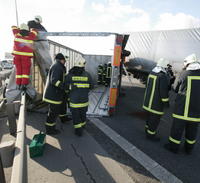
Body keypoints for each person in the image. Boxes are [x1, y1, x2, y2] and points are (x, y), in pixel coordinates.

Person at [164, 54, 200, 154]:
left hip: (182, 110)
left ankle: (173, 148)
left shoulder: (183, 74)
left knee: (177, 130)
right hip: (196, 112)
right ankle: (189, 149)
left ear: (187, 63)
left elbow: (175, 89)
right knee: (192, 132)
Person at [143, 58, 170, 141]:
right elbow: (163, 92)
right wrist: (166, 103)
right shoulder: (163, 76)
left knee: (148, 118)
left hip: (147, 103)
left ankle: (147, 130)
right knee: (154, 121)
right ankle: (150, 136)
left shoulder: (152, 73)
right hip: (156, 105)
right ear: (165, 67)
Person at [43, 53, 71, 135]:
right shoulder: (57, 67)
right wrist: (64, 86)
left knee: (59, 108)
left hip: (56, 94)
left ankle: (63, 119)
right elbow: (54, 80)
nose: (65, 62)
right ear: (61, 60)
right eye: (64, 60)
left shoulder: (59, 66)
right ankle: (49, 129)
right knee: (53, 113)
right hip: (53, 95)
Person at [65, 56, 93, 136]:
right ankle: (83, 126)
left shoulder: (69, 75)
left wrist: (69, 94)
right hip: (84, 101)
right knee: (83, 114)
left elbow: (65, 87)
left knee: (75, 116)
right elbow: (91, 86)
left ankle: (78, 130)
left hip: (74, 101)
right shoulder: (87, 75)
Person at [11, 23, 38, 89]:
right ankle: (24, 85)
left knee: (19, 71)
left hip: (17, 57)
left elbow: (13, 27)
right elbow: (35, 31)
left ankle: (18, 84)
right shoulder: (30, 36)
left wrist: (17, 28)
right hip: (26, 57)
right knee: (25, 71)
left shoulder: (17, 34)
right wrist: (33, 29)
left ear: (20, 29)